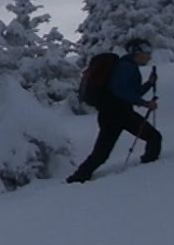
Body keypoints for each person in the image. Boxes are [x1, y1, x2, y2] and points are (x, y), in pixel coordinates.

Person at [67, 37, 161, 182]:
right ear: (137, 52)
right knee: (153, 137)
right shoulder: (126, 66)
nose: (149, 55)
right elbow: (120, 90)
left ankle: (79, 177)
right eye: (147, 51)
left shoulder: (126, 66)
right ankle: (152, 168)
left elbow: (131, 93)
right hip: (119, 113)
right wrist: (145, 103)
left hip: (112, 114)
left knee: (102, 152)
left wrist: (149, 84)